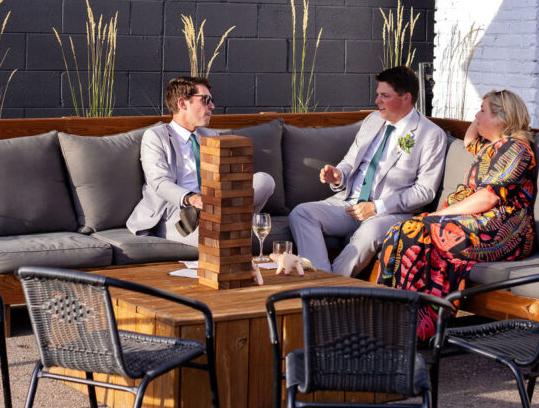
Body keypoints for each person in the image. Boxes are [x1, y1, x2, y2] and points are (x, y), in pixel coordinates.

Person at [379, 89, 536, 340]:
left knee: (416, 229)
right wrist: (481, 117)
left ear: (502, 117)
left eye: (482, 111)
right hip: (477, 221)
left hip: (503, 229)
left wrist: (438, 216)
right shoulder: (491, 147)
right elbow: (468, 140)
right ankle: (395, 317)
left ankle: (414, 326)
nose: (476, 115)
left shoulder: (515, 149)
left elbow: (489, 197)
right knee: (401, 231)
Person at [288, 66, 448, 275]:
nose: (377, 101)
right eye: (377, 95)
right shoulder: (372, 120)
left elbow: (424, 191)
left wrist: (377, 207)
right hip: (349, 204)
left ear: (406, 98)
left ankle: (326, 287)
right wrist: (339, 175)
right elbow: (350, 160)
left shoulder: (430, 135)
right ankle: (322, 279)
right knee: (302, 213)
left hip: (389, 212)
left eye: (384, 96)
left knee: (370, 231)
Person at [126, 76, 275, 244]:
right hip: (176, 210)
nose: (212, 106)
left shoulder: (210, 135)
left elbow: (225, 179)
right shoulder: (156, 136)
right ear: (183, 104)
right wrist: (191, 198)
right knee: (215, 234)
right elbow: (159, 182)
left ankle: (226, 220)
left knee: (264, 180)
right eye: (206, 100)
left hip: (214, 205)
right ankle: (231, 223)